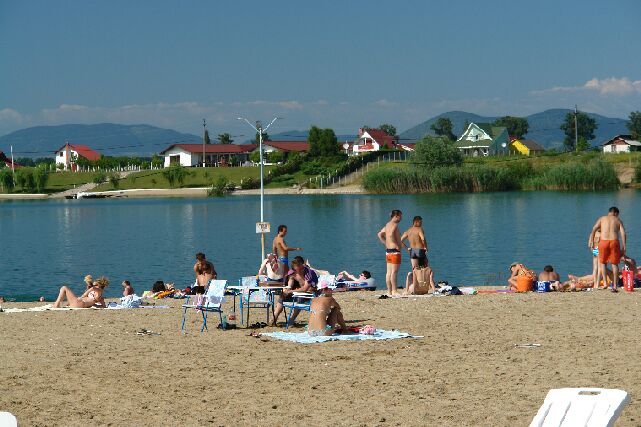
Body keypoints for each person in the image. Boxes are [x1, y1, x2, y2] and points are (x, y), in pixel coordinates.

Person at [589, 207, 626, 292]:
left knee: (602, 263)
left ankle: (605, 283)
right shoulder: (617, 220)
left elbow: (594, 228)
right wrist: (624, 245)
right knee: (614, 264)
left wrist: (591, 241)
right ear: (616, 213)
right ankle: (615, 286)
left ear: (609, 212)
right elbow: (623, 233)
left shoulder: (602, 218)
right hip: (614, 241)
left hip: (603, 242)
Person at [272, 256, 318, 326]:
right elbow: (290, 282)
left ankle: (292, 319)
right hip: (298, 291)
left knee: (300, 298)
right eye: (295, 269)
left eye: (298, 269)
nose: (297, 271)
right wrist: (287, 289)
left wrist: (291, 291)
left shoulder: (309, 273)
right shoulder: (292, 272)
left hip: (310, 293)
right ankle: (274, 317)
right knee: (282, 295)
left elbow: (305, 288)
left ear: (302, 266)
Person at [377, 209, 403, 296]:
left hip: (388, 251)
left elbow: (379, 234)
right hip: (395, 251)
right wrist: (399, 247)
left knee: (388, 272)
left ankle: (389, 291)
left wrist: (386, 243)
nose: (401, 218)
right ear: (396, 216)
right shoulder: (395, 225)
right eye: (400, 216)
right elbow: (399, 240)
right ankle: (394, 291)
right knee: (394, 272)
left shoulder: (387, 224)